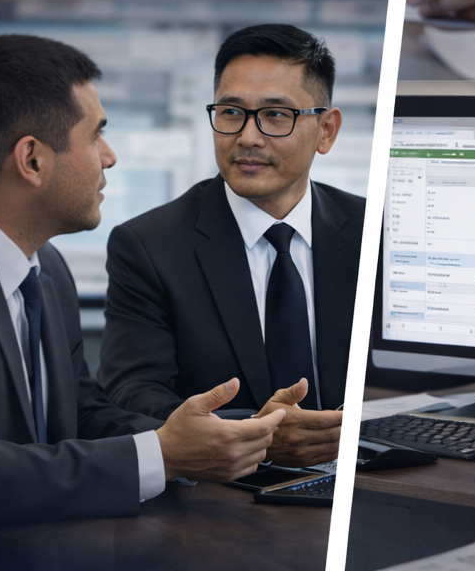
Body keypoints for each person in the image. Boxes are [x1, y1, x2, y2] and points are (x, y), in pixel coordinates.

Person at [0, 35, 286, 533]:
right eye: (96, 136)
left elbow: (82, 414)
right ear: (32, 160)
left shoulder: (45, 268)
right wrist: (161, 456)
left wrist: (224, 437)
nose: (109, 157)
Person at [100, 24, 364, 467]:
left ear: (326, 130)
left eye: (276, 115)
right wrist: (253, 432)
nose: (247, 137)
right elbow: (132, 396)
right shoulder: (148, 246)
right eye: (230, 112)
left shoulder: (370, 230)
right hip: (225, 491)